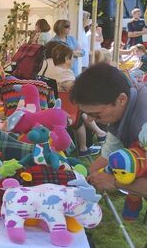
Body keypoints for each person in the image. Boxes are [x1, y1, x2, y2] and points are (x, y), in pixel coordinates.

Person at [70, 63, 147, 197]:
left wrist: (115, 182)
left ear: (121, 100)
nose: (89, 120)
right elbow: (108, 155)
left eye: (95, 114)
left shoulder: (143, 123)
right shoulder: (125, 105)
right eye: (86, 113)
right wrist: (84, 177)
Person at [43, 43, 106, 156]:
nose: (73, 60)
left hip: (51, 107)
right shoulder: (65, 73)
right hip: (67, 110)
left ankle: (99, 133)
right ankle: (84, 148)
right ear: (67, 58)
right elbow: (74, 91)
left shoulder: (50, 70)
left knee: (80, 111)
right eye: (72, 58)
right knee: (81, 111)